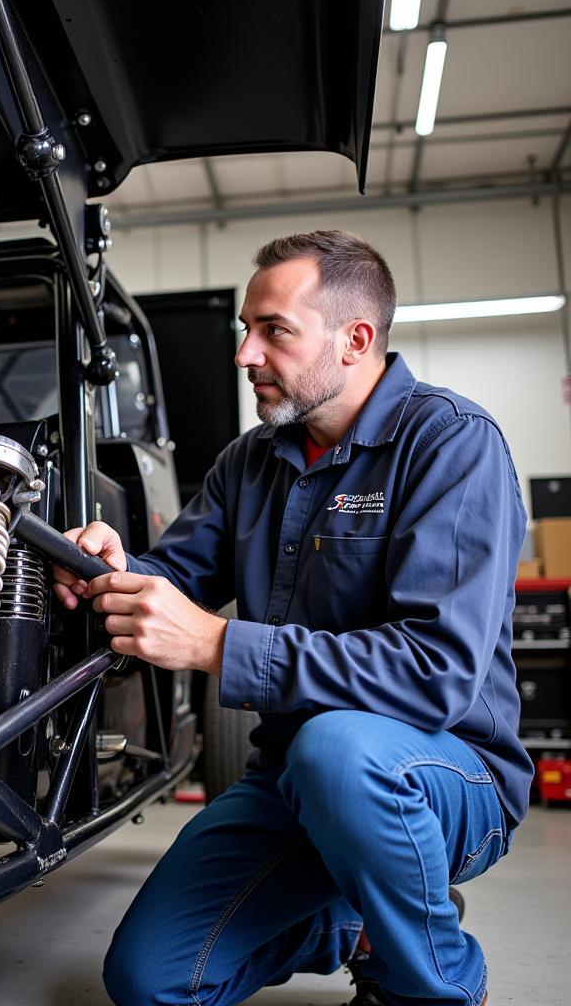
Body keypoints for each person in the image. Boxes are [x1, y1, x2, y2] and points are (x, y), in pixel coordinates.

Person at [53, 231, 531, 1006]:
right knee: (149, 980)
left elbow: (435, 673)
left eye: (273, 330)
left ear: (356, 340)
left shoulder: (449, 443)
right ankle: (352, 914)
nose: (245, 353)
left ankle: (429, 985)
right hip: (294, 780)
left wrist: (214, 643)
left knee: (338, 749)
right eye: (247, 329)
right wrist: (115, 566)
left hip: (449, 776)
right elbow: (176, 576)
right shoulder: (250, 462)